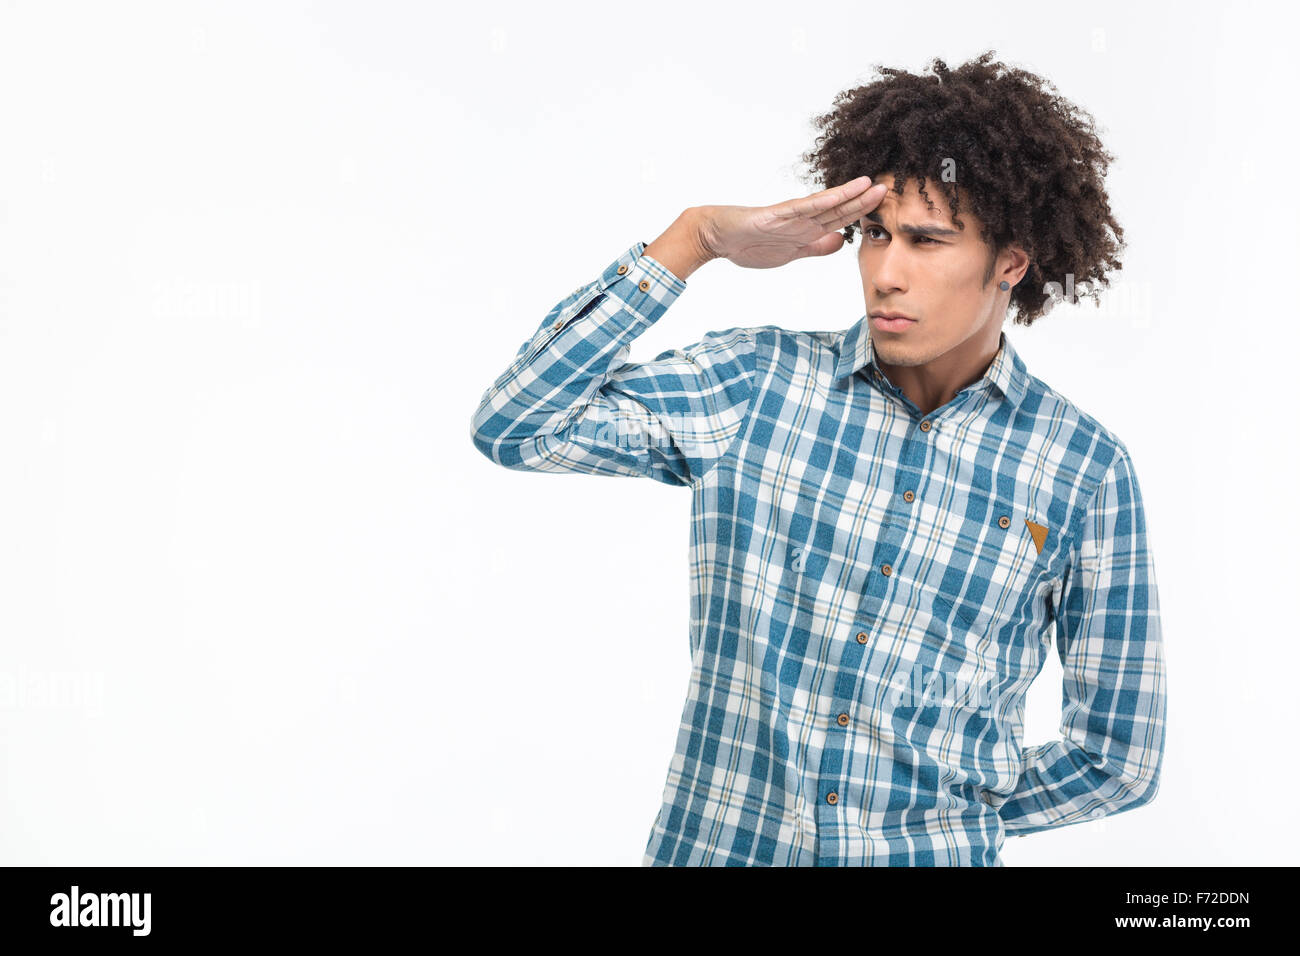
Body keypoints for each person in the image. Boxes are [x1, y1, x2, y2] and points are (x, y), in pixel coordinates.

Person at [469, 51, 1166, 866]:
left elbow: (1118, 758)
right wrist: (693, 241)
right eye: (874, 235)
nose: (886, 274)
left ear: (1009, 262)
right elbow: (516, 425)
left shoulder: (1082, 471)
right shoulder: (755, 385)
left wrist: (954, 816)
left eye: (926, 241)